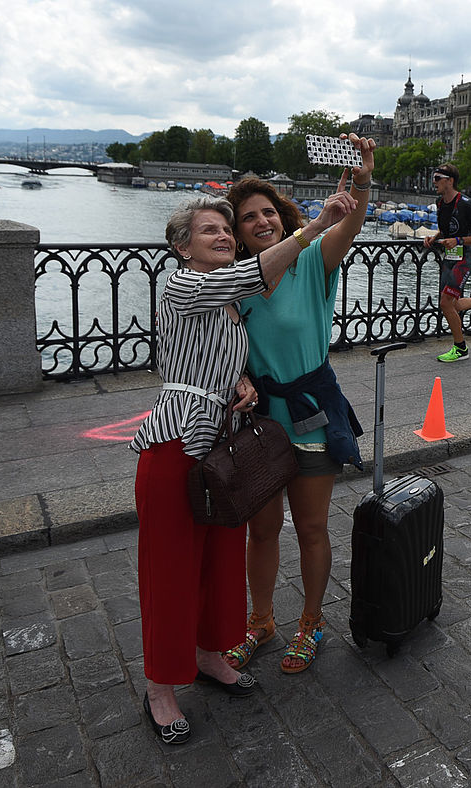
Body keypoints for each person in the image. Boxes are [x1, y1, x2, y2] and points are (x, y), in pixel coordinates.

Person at [131, 183, 358, 745]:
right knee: (171, 570)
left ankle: (210, 654)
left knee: (221, 559)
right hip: (179, 443)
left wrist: (240, 380)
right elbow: (251, 275)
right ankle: (161, 687)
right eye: (211, 229)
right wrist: (312, 227)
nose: (224, 235)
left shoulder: (224, 302)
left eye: (225, 228)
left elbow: (217, 350)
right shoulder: (188, 285)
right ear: (183, 246)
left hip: (225, 443)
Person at [221, 134, 374, 676]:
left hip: (309, 412)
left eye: (267, 213)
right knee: (261, 529)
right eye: (248, 218)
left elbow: (350, 226)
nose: (261, 222)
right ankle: (260, 621)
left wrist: (360, 177)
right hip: (260, 422)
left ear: (282, 217)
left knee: (310, 528)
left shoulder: (311, 261)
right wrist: (238, 375)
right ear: (236, 233)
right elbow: (223, 344)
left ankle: (311, 622)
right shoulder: (235, 280)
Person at [422, 162, 471, 362]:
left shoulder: (466, 204)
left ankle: (461, 348)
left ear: (450, 181)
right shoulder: (440, 203)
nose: (434, 182)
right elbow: (448, 229)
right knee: (454, 304)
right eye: (434, 178)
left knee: (445, 302)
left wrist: (458, 240)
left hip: (466, 258)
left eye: (437, 178)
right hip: (450, 257)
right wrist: (435, 237)